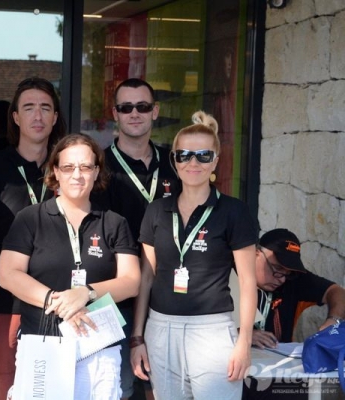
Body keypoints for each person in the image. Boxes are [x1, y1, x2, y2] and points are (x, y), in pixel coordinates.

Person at [0, 133, 141, 399]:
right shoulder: (30, 218)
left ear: (97, 171)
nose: (77, 175)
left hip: (99, 346)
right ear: (55, 171)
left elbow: (131, 281)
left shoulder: (114, 223)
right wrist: (60, 302)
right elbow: (8, 274)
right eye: (68, 167)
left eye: (85, 167)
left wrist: (86, 293)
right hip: (43, 341)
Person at [131, 110, 258, 400]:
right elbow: (146, 277)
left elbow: (248, 281)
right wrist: (137, 337)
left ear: (215, 160)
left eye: (203, 155)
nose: (193, 163)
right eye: (184, 155)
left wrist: (244, 342)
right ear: (174, 160)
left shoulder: (234, 211)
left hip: (212, 331)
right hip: (160, 329)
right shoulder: (156, 210)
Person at [0, 78, 66, 400]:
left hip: (62, 308)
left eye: (45, 108)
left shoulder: (70, 170)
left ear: (55, 117)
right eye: (29, 108)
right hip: (5, 307)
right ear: (15, 117)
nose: (37, 116)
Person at [93, 77, 180, 400]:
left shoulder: (177, 164)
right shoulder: (98, 168)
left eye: (142, 106)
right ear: (115, 113)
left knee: (169, 389)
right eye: (126, 107)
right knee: (120, 388)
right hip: (118, 298)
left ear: (154, 111)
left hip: (171, 295)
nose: (134, 113)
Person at [252, 228, 345, 348]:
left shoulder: (293, 280)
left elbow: (336, 292)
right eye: (277, 268)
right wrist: (242, 334)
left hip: (279, 356)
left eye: (288, 273)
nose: (282, 279)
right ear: (256, 254)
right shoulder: (230, 277)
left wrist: (334, 320)